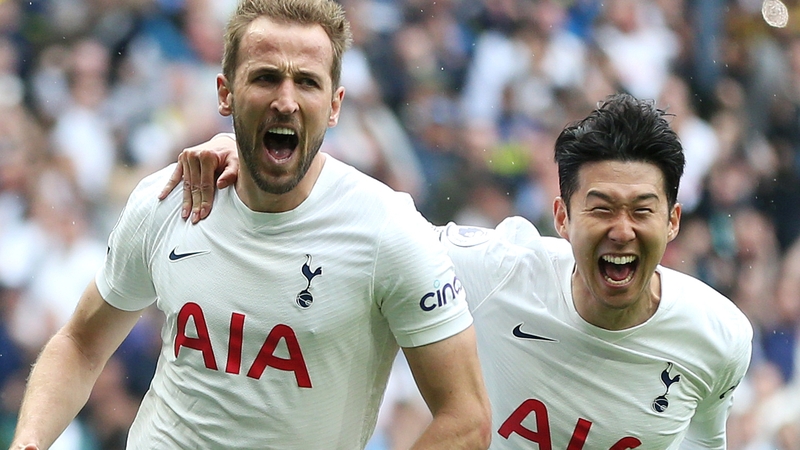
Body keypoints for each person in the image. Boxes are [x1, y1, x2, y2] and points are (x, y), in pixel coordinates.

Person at [9, 0, 492, 449]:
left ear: (336, 103)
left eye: (306, 81)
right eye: (265, 78)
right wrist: (29, 441)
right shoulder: (170, 197)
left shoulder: (387, 230)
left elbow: (466, 417)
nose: (285, 100)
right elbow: (79, 343)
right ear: (225, 92)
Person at [170, 93, 754, 448]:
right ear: (562, 217)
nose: (621, 230)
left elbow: (704, 436)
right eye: (600, 208)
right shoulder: (495, 273)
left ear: (673, 221)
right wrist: (254, 155)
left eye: (642, 211)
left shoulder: (720, 337)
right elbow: (375, 226)